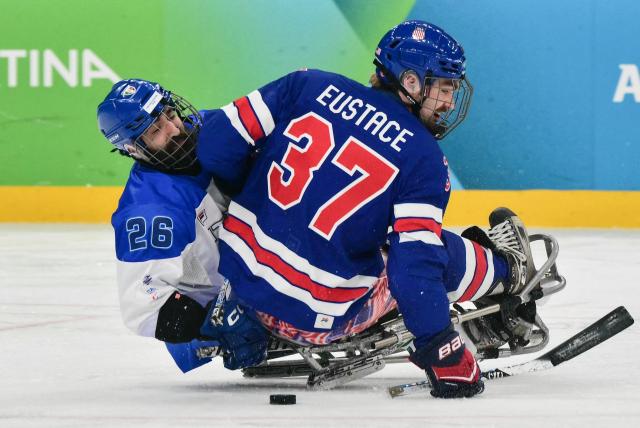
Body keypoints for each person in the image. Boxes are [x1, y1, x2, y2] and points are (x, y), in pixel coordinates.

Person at [191, 20, 541, 398]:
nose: (450, 102)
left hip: (238, 288)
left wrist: (260, 192)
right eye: (444, 88)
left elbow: (213, 142)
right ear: (410, 82)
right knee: (428, 247)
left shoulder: (306, 84)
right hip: (323, 318)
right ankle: (509, 270)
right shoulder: (423, 157)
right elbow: (414, 268)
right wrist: (443, 351)